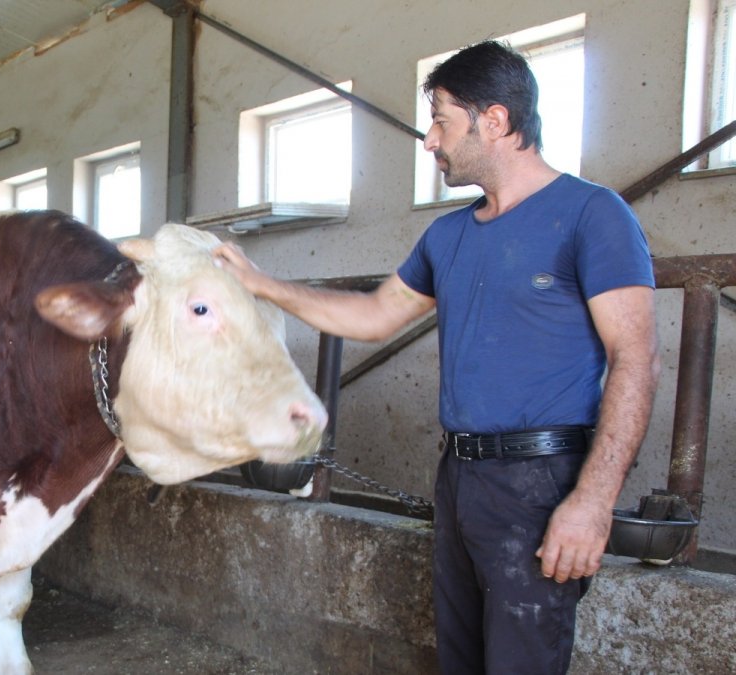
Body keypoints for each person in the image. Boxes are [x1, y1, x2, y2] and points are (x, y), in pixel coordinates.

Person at [214, 40, 660, 674]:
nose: (430, 140)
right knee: (459, 658)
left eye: (443, 120)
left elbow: (636, 360)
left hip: (542, 477)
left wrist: (592, 501)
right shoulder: (447, 235)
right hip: (459, 475)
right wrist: (260, 283)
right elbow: (373, 316)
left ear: (496, 121)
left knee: (520, 663)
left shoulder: (592, 214)